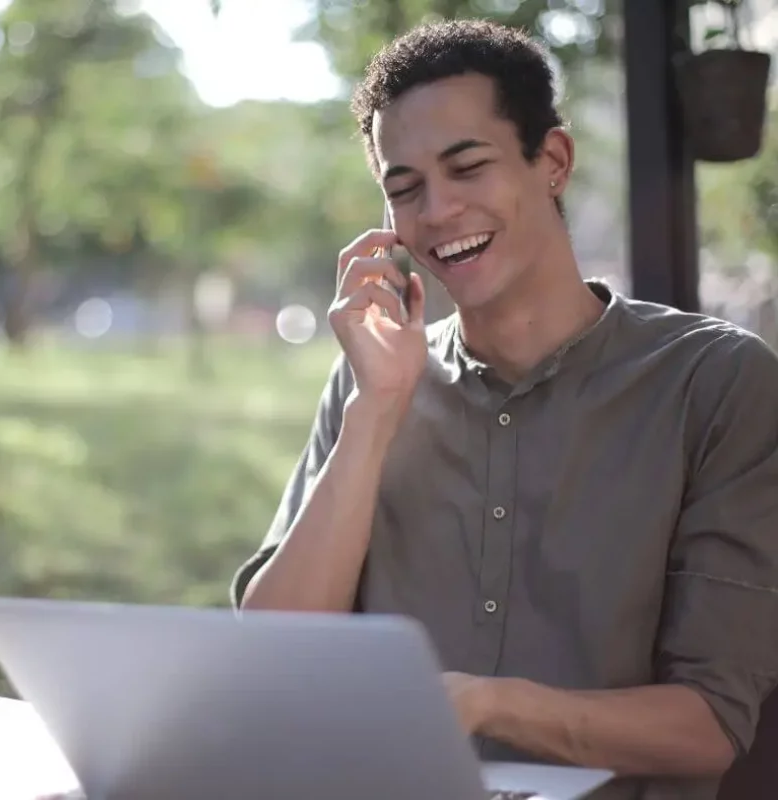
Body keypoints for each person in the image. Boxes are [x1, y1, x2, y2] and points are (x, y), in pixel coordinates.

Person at [231, 18, 778, 800]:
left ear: (551, 161)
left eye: (468, 167)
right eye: (404, 188)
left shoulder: (717, 384)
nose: (439, 210)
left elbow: (710, 729)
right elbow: (276, 655)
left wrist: (487, 704)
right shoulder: (374, 383)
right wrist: (376, 409)